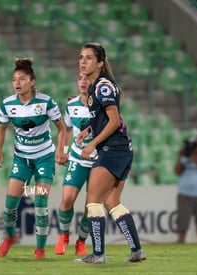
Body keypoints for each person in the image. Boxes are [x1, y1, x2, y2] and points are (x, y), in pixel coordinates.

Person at [75, 42, 146, 264]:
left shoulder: (102, 86)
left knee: (93, 202)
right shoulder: (97, 85)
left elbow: (114, 121)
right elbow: (103, 117)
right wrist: (88, 127)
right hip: (122, 149)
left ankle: (98, 254)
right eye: (81, 57)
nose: (83, 62)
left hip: (112, 149)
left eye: (88, 58)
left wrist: (92, 143)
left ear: (100, 63)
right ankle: (136, 251)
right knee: (112, 202)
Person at [0, 57, 67, 259]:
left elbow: (62, 129)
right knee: (9, 208)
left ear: (32, 81)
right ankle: (10, 237)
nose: (17, 83)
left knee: (40, 202)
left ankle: (40, 250)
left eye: (22, 79)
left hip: (44, 158)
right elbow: (1, 128)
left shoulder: (46, 102)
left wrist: (61, 150)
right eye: (14, 79)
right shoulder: (8, 104)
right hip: (21, 160)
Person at [54, 73, 93, 256]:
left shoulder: (102, 105)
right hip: (77, 158)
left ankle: (81, 241)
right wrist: (63, 150)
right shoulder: (71, 105)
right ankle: (63, 236)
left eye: (87, 78)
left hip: (97, 160)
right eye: (79, 78)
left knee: (91, 205)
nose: (83, 82)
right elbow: (67, 129)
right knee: (67, 199)